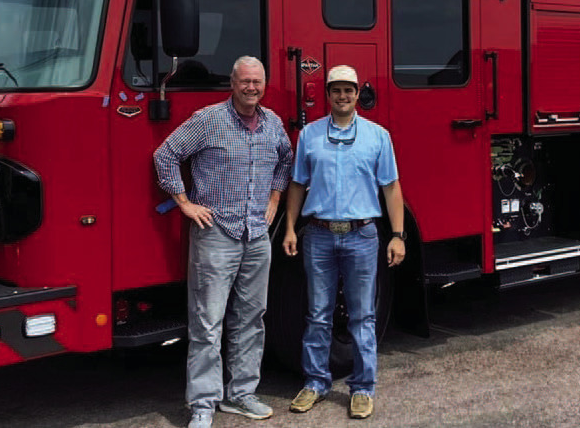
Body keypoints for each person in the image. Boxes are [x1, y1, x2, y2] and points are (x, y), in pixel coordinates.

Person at [154, 56, 293, 428]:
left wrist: (275, 200)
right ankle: (203, 404)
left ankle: (241, 394)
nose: (252, 87)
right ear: (232, 83)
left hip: (256, 235)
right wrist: (184, 203)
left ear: (264, 85)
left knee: (252, 319)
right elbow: (165, 154)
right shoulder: (207, 120)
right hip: (216, 233)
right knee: (207, 322)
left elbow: (286, 160)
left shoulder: (273, 123)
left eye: (258, 82)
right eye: (245, 81)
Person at [282, 64, 406, 420]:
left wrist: (397, 236)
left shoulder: (378, 136)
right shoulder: (309, 135)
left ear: (357, 95)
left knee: (362, 316)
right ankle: (316, 383)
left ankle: (363, 387)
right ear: (327, 95)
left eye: (348, 90)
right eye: (335, 90)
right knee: (318, 314)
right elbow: (296, 184)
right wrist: (291, 227)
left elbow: (391, 187)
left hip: (362, 236)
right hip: (318, 235)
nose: (342, 96)